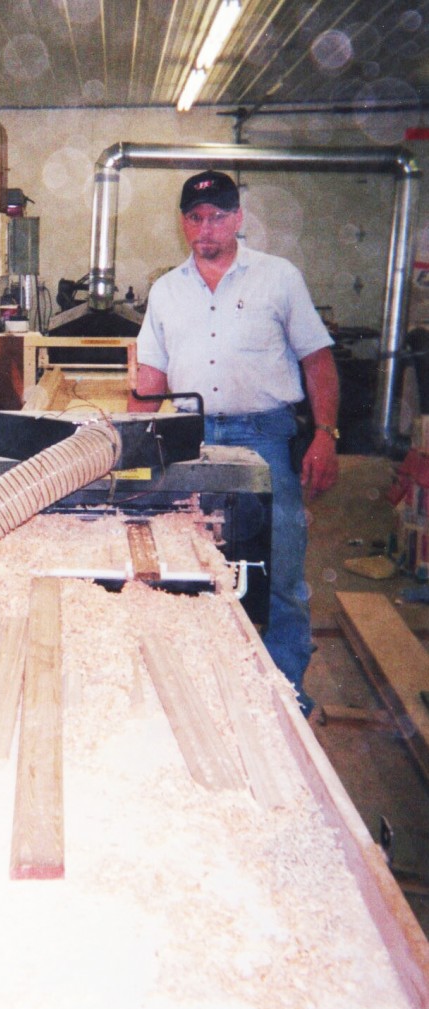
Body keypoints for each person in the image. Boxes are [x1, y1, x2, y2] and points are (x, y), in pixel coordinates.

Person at [128, 169, 339, 716]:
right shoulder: (166, 290)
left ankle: (286, 694)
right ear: (184, 224)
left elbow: (318, 360)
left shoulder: (278, 279)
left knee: (280, 568)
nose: (207, 227)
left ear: (239, 219)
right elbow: (149, 379)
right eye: (196, 218)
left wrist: (325, 434)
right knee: (188, 563)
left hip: (265, 437)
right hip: (189, 436)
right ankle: (203, 690)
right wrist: (132, 452)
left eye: (219, 215)